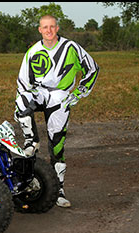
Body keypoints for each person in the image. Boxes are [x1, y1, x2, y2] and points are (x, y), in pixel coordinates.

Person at [14, 15, 99, 208]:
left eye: (52, 27)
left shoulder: (71, 47)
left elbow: (92, 69)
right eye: (45, 27)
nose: (49, 30)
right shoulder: (33, 51)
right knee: (22, 100)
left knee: (57, 146)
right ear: (40, 30)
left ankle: (59, 190)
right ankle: (31, 141)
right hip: (40, 93)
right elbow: (22, 84)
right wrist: (20, 109)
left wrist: (79, 93)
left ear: (57, 28)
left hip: (60, 97)